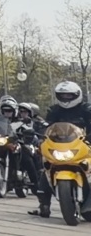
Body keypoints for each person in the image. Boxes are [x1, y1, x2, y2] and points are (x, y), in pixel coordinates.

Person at [28, 82, 91, 217]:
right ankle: (44, 205)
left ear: (77, 95)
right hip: (61, 145)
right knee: (47, 166)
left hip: (83, 144)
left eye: (69, 95)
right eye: (62, 95)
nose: (66, 98)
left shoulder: (86, 109)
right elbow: (48, 127)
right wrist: (41, 135)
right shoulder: (54, 110)